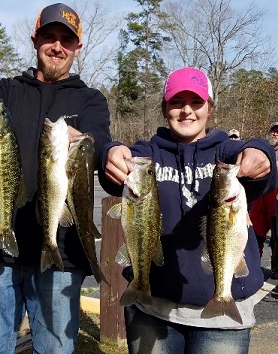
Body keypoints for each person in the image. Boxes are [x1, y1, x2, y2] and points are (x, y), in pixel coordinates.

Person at [0, 2, 111, 354]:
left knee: (57, 348)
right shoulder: (6, 89)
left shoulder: (91, 100)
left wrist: (87, 142)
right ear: (35, 40)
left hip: (59, 248)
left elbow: (101, 142)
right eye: (49, 37)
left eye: (66, 40)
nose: (57, 46)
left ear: (77, 47)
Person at [98, 67, 278, 354]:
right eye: (176, 102)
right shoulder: (150, 153)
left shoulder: (225, 153)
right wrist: (111, 151)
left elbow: (253, 154)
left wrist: (261, 152)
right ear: (164, 108)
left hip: (224, 318)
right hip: (153, 309)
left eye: (196, 102)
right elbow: (119, 162)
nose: (186, 111)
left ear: (210, 108)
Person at [250, 122, 278, 279]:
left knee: (276, 234)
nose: (275, 134)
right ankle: (253, 264)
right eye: (273, 131)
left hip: (275, 196)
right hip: (259, 196)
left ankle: (276, 268)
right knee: (255, 233)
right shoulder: (260, 151)